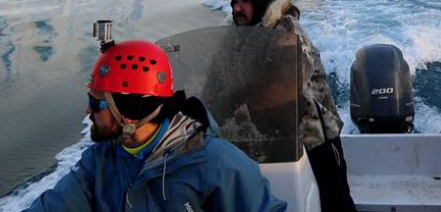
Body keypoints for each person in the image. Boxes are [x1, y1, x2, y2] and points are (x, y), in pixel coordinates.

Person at [25, 39, 286, 212]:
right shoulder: (100, 161)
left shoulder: (217, 165)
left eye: (96, 103)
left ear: (128, 111)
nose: (87, 110)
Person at [229, 0, 357, 211]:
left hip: (314, 132)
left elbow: (287, 81)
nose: (237, 9)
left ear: (259, 2)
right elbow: (221, 77)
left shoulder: (288, 32)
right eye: (234, 3)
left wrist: (240, 93)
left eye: (244, 2)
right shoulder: (241, 38)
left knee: (336, 200)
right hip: (274, 133)